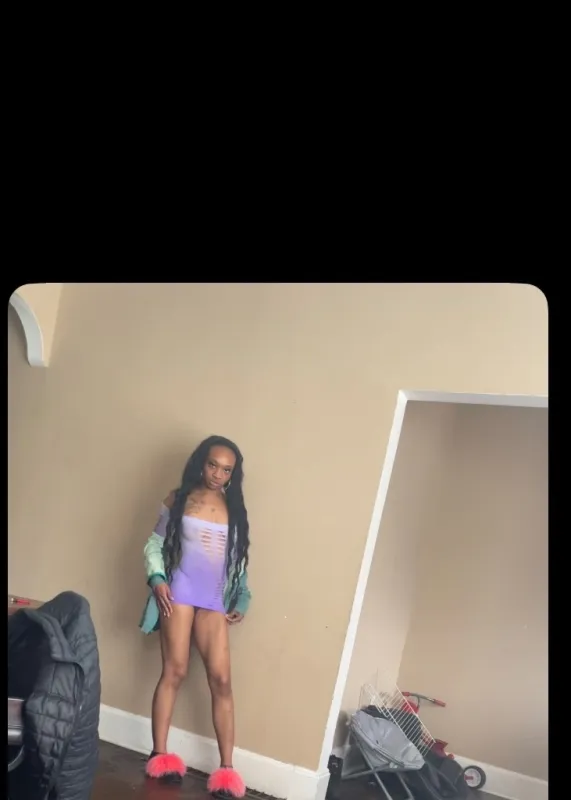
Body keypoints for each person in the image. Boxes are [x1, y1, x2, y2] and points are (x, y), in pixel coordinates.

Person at [139, 435, 252, 797]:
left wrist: (242, 599)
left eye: (226, 470)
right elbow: (155, 544)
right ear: (201, 463)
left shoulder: (235, 509)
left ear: (233, 474)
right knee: (175, 670)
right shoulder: (179, 498)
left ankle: (227, 771)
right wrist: (157, 579)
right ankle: (160, 756)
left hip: (213, 599)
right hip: (181, 592)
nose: (217, 474)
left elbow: (238, 562)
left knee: (222, 680)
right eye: (212, 465)